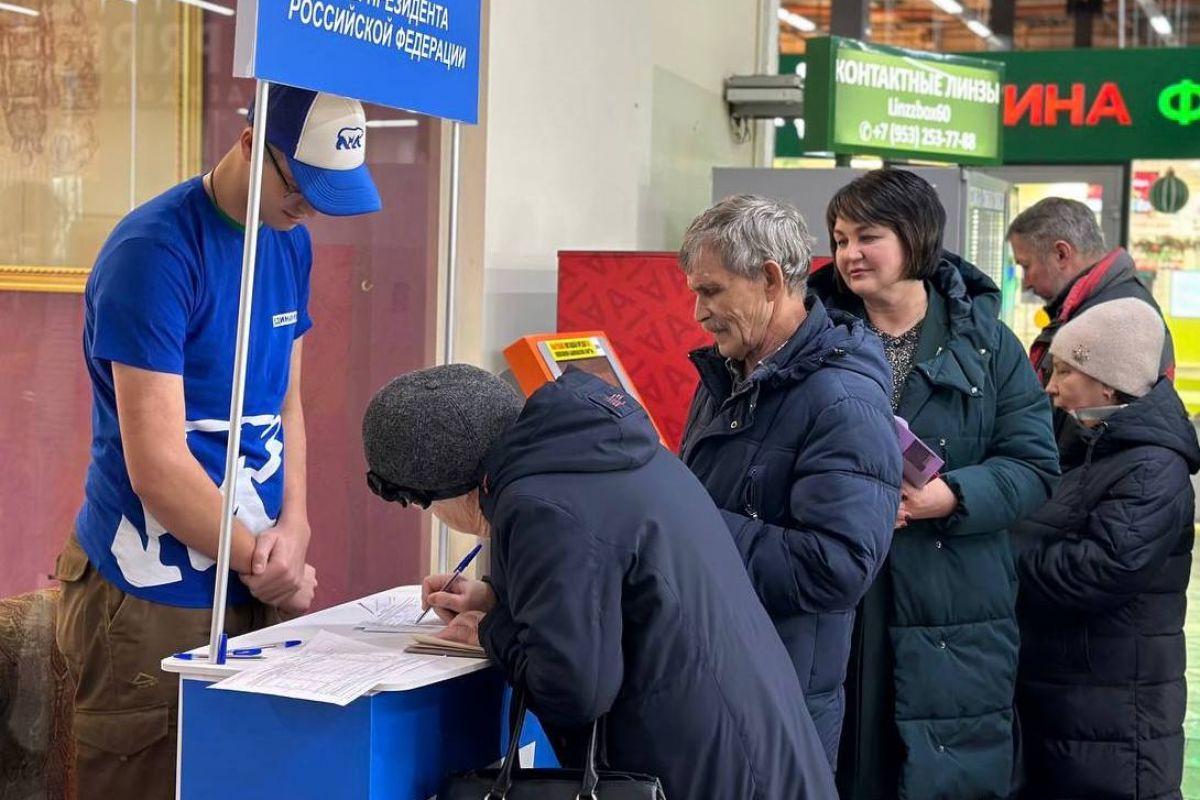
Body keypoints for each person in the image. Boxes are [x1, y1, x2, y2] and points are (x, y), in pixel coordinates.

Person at [54, 87, 382, 800]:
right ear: (246, 143)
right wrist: (274, 569)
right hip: (151, 588)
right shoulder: (156, 253)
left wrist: (295, 528)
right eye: (299, 187)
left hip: (252, 571)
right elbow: (159, 467)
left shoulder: (289, 242)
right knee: (145, 778)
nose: (310, 211)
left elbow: (287, 406)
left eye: (328, 197)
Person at [361, 364, 838, 799]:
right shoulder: (601, 451)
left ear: (445, 486)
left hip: (708, 775)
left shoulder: (538, 505)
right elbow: (617, 593)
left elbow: (574, 688)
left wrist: (490, 631)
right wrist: (499, 599)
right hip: (759, 754)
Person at [809, 169, 1060, 800]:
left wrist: (949, 497)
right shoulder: (815, 339)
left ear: (916, 238)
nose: (848, 254)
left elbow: (1034, 465)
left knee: (938, 769)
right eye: (839, 239)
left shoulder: (988, 347)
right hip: (840, 588)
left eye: (868, 236)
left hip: (955, 603)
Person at [677, 194, 903, 767]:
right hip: (717, 688)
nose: (699, 313)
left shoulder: (842, 399)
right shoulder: (728, 374)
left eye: (711, 291)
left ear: (771, 280)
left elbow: (838, 566)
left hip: (779, 710)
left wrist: (688, 527)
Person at [1013, 298, 1198, 800]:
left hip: (1117, 717)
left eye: (1067, 371)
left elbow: (1098, 571)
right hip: (1076, 701)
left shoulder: (1153, 468)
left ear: (1107, 383)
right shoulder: (1095, 448)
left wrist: (1002, 561)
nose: (1051, 385)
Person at [1007, 196, 1173, 386]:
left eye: (1026, 266)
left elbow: (1106, 411)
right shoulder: (1098, 306)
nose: (1026, 282)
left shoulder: (1117, 317)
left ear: (1061, 254)